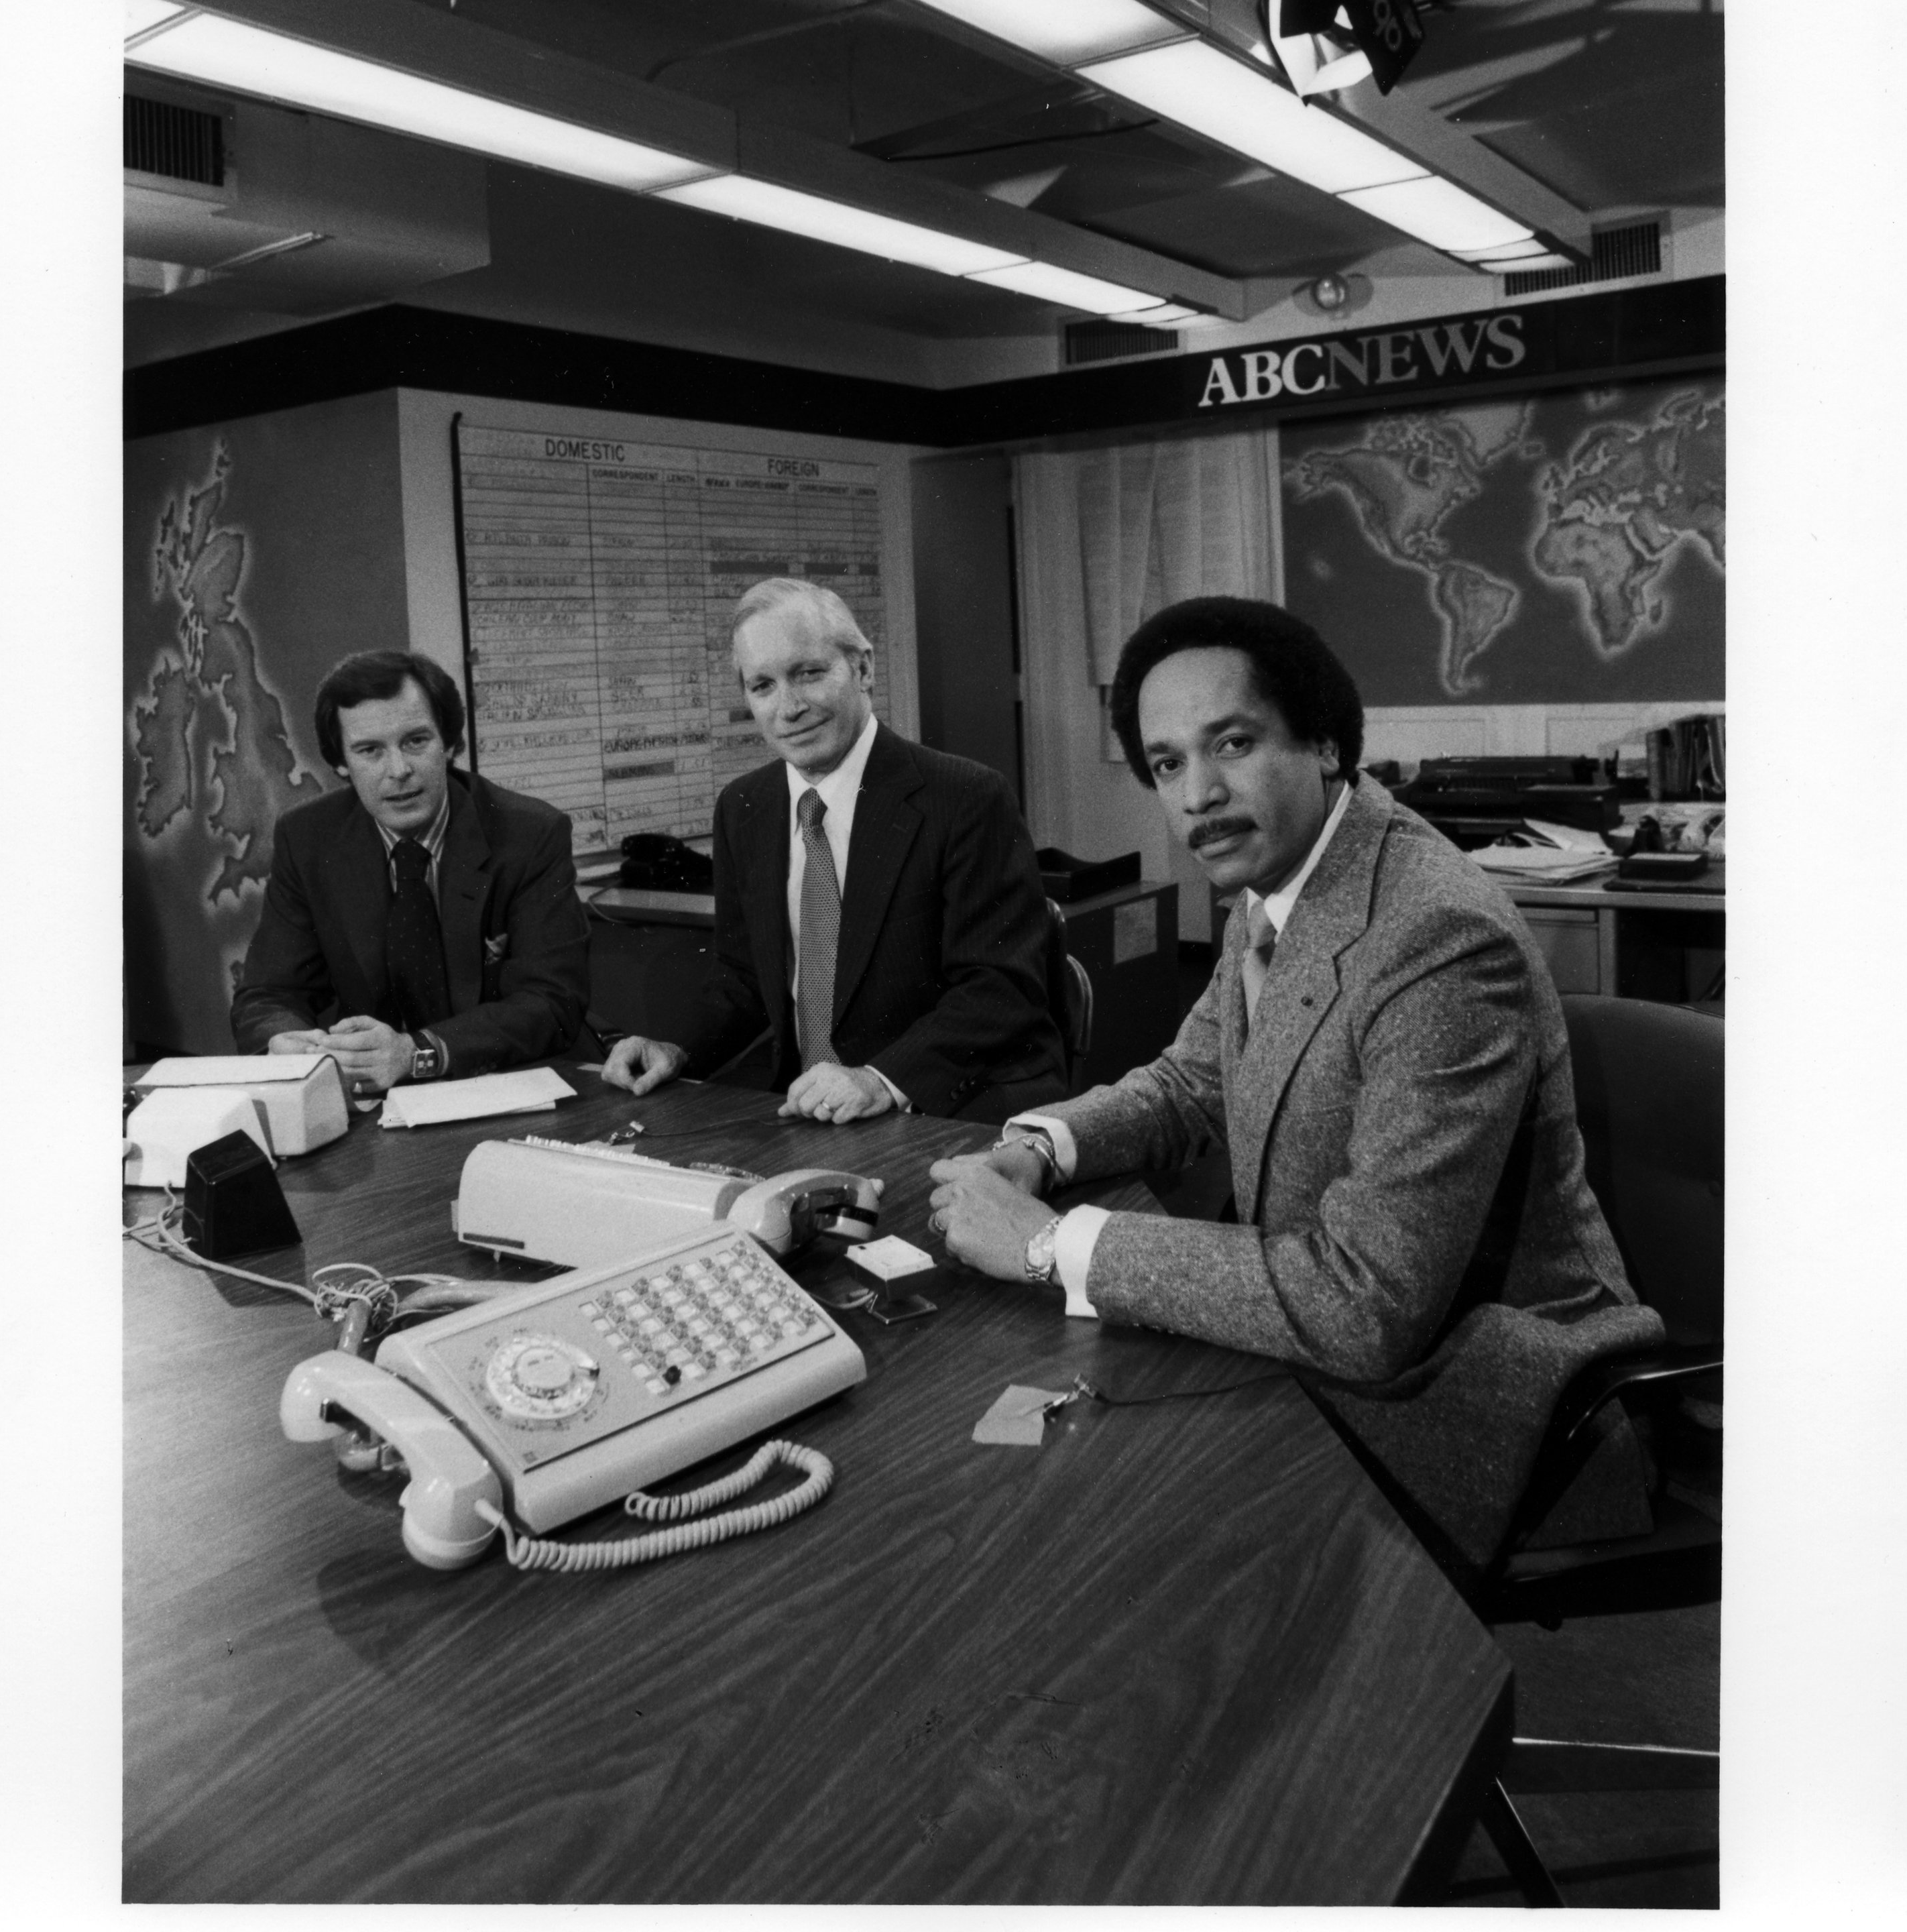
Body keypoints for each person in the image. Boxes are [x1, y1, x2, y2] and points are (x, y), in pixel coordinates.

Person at [927, 597, 1663, 1577]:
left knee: (1105, 1537)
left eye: (1229, 742)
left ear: (1322, 742)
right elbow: (1192, 1081)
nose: (1196, 794)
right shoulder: (1279, 874)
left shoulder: (1435, 937)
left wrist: (1046, 1244)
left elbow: (1369, 1307)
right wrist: (1042, 1146)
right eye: (1167, 764)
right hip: (1330, 1334)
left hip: (1481, 1390)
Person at [603, 579, 1066, 1125]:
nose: (789, 708)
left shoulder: (967, 798)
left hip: (949, 1104)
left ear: (863, 669)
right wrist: (675, 1046)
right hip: (811, 1110)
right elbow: (743, 976)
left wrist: (878, 1080)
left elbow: (1000, 987)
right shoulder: (744, 807)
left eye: (809, 674)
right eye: (763, 686)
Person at [231, 649, 594, 1094]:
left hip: (497, 1085)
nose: (399, 770)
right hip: (373, 1104)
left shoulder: (529, 834)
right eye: (370, 751)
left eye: (416, 741)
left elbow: (552, 1001)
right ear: (341, 763)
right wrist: (287, 1046)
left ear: (449, 743)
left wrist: (417, 1052)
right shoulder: (308, 838)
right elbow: (268, 994)